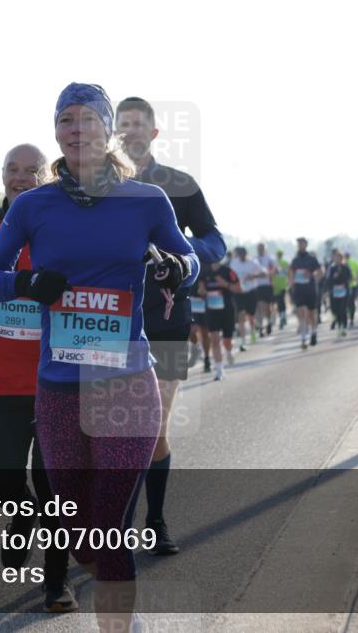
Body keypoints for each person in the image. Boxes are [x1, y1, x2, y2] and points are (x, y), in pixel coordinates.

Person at [0, 83, 199, 633]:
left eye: (86, 120)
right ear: (57, 132)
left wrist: (174, 267)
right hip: (58, 386)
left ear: (108, 130)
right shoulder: (33, 205)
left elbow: (189, 256)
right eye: (65, 121)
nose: (76, 130)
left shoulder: (145, 199)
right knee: (78, 532)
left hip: (125, 380)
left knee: (108, 526)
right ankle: (128, 615)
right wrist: (27, 282)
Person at [0, 143, 77, 613]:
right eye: (12, 169)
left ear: (46, 177)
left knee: (54, 486)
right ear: (2, 174)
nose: (19, 177)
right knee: (3, 481)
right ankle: (21, 516)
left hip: (56, 378)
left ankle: (56, 582)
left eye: (31, 171)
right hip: (0, 379)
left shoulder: (64, 227)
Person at [116, 96, 225, 556]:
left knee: (152, 426)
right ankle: (115, 524)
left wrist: (180, 255)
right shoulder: (97, 186)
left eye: (139, 125)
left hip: (169, 322)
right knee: (115, 430)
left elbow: (215, 242)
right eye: (122, 125)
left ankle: (155, 520)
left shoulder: (179, 186)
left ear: (154, 133)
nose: (130, 132)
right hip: (110, 324)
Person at [200, 260, 241, 380]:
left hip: (227, 310)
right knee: (214, 339)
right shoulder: (204, 273)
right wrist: (201, 291)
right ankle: (219, 370)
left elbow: (239, 288)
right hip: (211, 310)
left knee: (227, 341)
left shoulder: (228, 271)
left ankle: (228, 351)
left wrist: (225, 284)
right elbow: (201, 290)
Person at [289, 237, 323, 349]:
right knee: (302, 313)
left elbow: (320, 272)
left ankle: (313, 332)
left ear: (306, 245)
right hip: (299, 290)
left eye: (302, 244)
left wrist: (312, 275)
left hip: (310, 290)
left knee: (311, 314)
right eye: (298, 244)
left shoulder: (312, 259)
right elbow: (291, 275)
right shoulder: (295, 260)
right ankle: (303, 338)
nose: (300, 246)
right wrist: (291, 287)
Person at [229, 246, 264, 349]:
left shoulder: (253, 262)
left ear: (246, 254)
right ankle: (243, 340)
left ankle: (253, 332)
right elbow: (230, 274)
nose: (241, 257)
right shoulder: (234, 263)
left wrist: (253, 276)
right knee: (241, 315)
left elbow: (263, 274)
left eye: (243, 255)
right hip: (239, 292)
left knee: (251, 317)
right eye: (239, 255)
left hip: (250, 292)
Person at [326, 251, 352, 337]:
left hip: (344, 291)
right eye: (336, 258)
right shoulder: (332, 268)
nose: (338, 259)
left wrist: (343, 278)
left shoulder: (346, 267)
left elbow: (349, 277)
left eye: (340, 258)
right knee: (335, 310)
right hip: (334, 292)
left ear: (342, 258)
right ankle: (339, 324)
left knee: (343, 309)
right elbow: (328, 280)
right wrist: (333, 278)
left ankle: (343, 327)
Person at [254, 243, 276, 336]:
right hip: (258, 285)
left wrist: (268, 273)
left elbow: (275, 269)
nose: (260, 250)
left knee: (267, 308)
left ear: (265, 249)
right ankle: (261, 328)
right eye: (259, 248)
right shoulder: (254, 259)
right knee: (260, 306)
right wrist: (258, 274)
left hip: (268, 285)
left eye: (262, 248)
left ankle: (269, 323)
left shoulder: (270, 258)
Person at [272, 249, 290, 329]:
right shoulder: (273, 263)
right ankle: (282, 316)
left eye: (280, 254)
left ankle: (283, 316)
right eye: (278, 254)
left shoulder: (285, 263)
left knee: (281, 300)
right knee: (279, 303)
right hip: (275, 286)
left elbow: (289, 273)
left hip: (283, 285)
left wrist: (289, 282)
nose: (279, 255)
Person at [344, 251, 358, 328]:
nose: (347, 255)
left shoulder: (354, 262)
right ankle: (346, 318)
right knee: (345, 304)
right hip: (344, 287)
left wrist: (356, 278)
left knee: (351, 303)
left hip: (352, 286)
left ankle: (351, 319)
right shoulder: (342, 263)